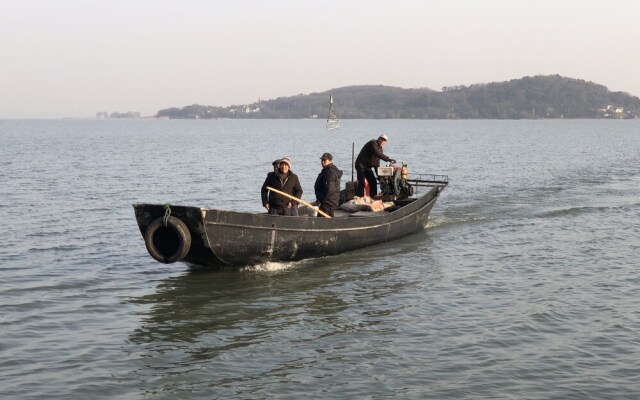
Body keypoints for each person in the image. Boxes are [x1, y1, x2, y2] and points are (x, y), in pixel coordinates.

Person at [314, 152, 343, 217]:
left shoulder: (329, 172)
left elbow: (330, 189)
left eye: (324, 160)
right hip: (328, 202)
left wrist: (321, 200)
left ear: (330, 161)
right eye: (322, 160)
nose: (322, 162)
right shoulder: (327, 170)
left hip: (327, 203)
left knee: (322, 221)